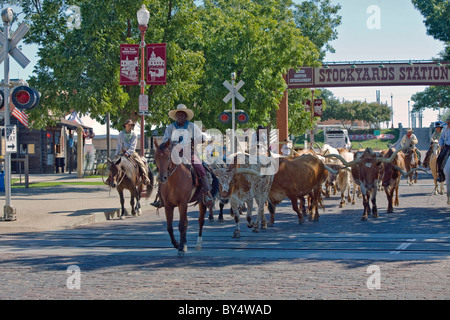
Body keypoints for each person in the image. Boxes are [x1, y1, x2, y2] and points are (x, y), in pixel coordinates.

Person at [151, 104, 213, 208]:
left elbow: (201, 138)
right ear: (176, 117)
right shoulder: (171, 128)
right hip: (174, 154)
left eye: (182, 115)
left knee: (200, 168)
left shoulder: (192, 126)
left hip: (189, 154)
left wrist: (195, 140)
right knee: (162, 169)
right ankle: (160, 196)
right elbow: (165, 140)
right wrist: (171, 144)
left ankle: (206, 193)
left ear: (185, 116)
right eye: (178, 115)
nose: (180, 117)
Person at [114, 119, 151, 185]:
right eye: (129, 125)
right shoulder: (121, 134)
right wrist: (116, 154)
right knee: (114, 164)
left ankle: (145, 176)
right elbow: (119, 145)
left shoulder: (134, 134)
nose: (130, 126)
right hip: (122, 152)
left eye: (131, 125)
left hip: (131, 152)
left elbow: (133, 145)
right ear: (125, 125)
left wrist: (128, 153)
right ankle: (111, 179)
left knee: (140, 162)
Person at [436, 117, 450, 182]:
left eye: (449, 122)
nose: (448, 123)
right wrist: (441, 144)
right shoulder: (445, 130)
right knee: (439, 159)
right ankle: (441, 175)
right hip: (447, 147)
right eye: (448, 122)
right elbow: (441, 138)